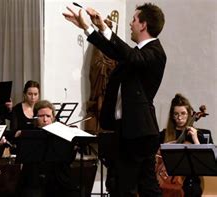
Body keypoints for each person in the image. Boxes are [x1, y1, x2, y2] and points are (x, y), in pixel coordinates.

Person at [63, 3, 166, 196]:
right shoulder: (135, 54)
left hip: (138, 132)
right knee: (132, 187)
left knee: (128, 188)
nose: (130, 23)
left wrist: (103, 26)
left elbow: (130, 56)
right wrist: (88, 28)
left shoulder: (155, 53)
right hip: (127, 130)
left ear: (143, 25)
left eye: (134, 20)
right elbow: (114, 51)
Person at [16, 100, 78, 196]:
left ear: (53, 118)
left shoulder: (61, 133)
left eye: (48, 116)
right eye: (41, 116)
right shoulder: (29, 133)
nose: (45, 120)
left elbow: (68, 158)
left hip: (56, 179)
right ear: (35, 117)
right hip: (34, 179)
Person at [159, 94, 211, 196]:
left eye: (183, 113)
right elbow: (153, 158)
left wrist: (195, 139)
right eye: (176, 114)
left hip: (190, 184)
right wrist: (165, 146)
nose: (179, 117)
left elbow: (206, 161)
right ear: (172, 116)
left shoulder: (199, 135)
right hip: (165, 181)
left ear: (189, 114)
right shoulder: (163, 134)